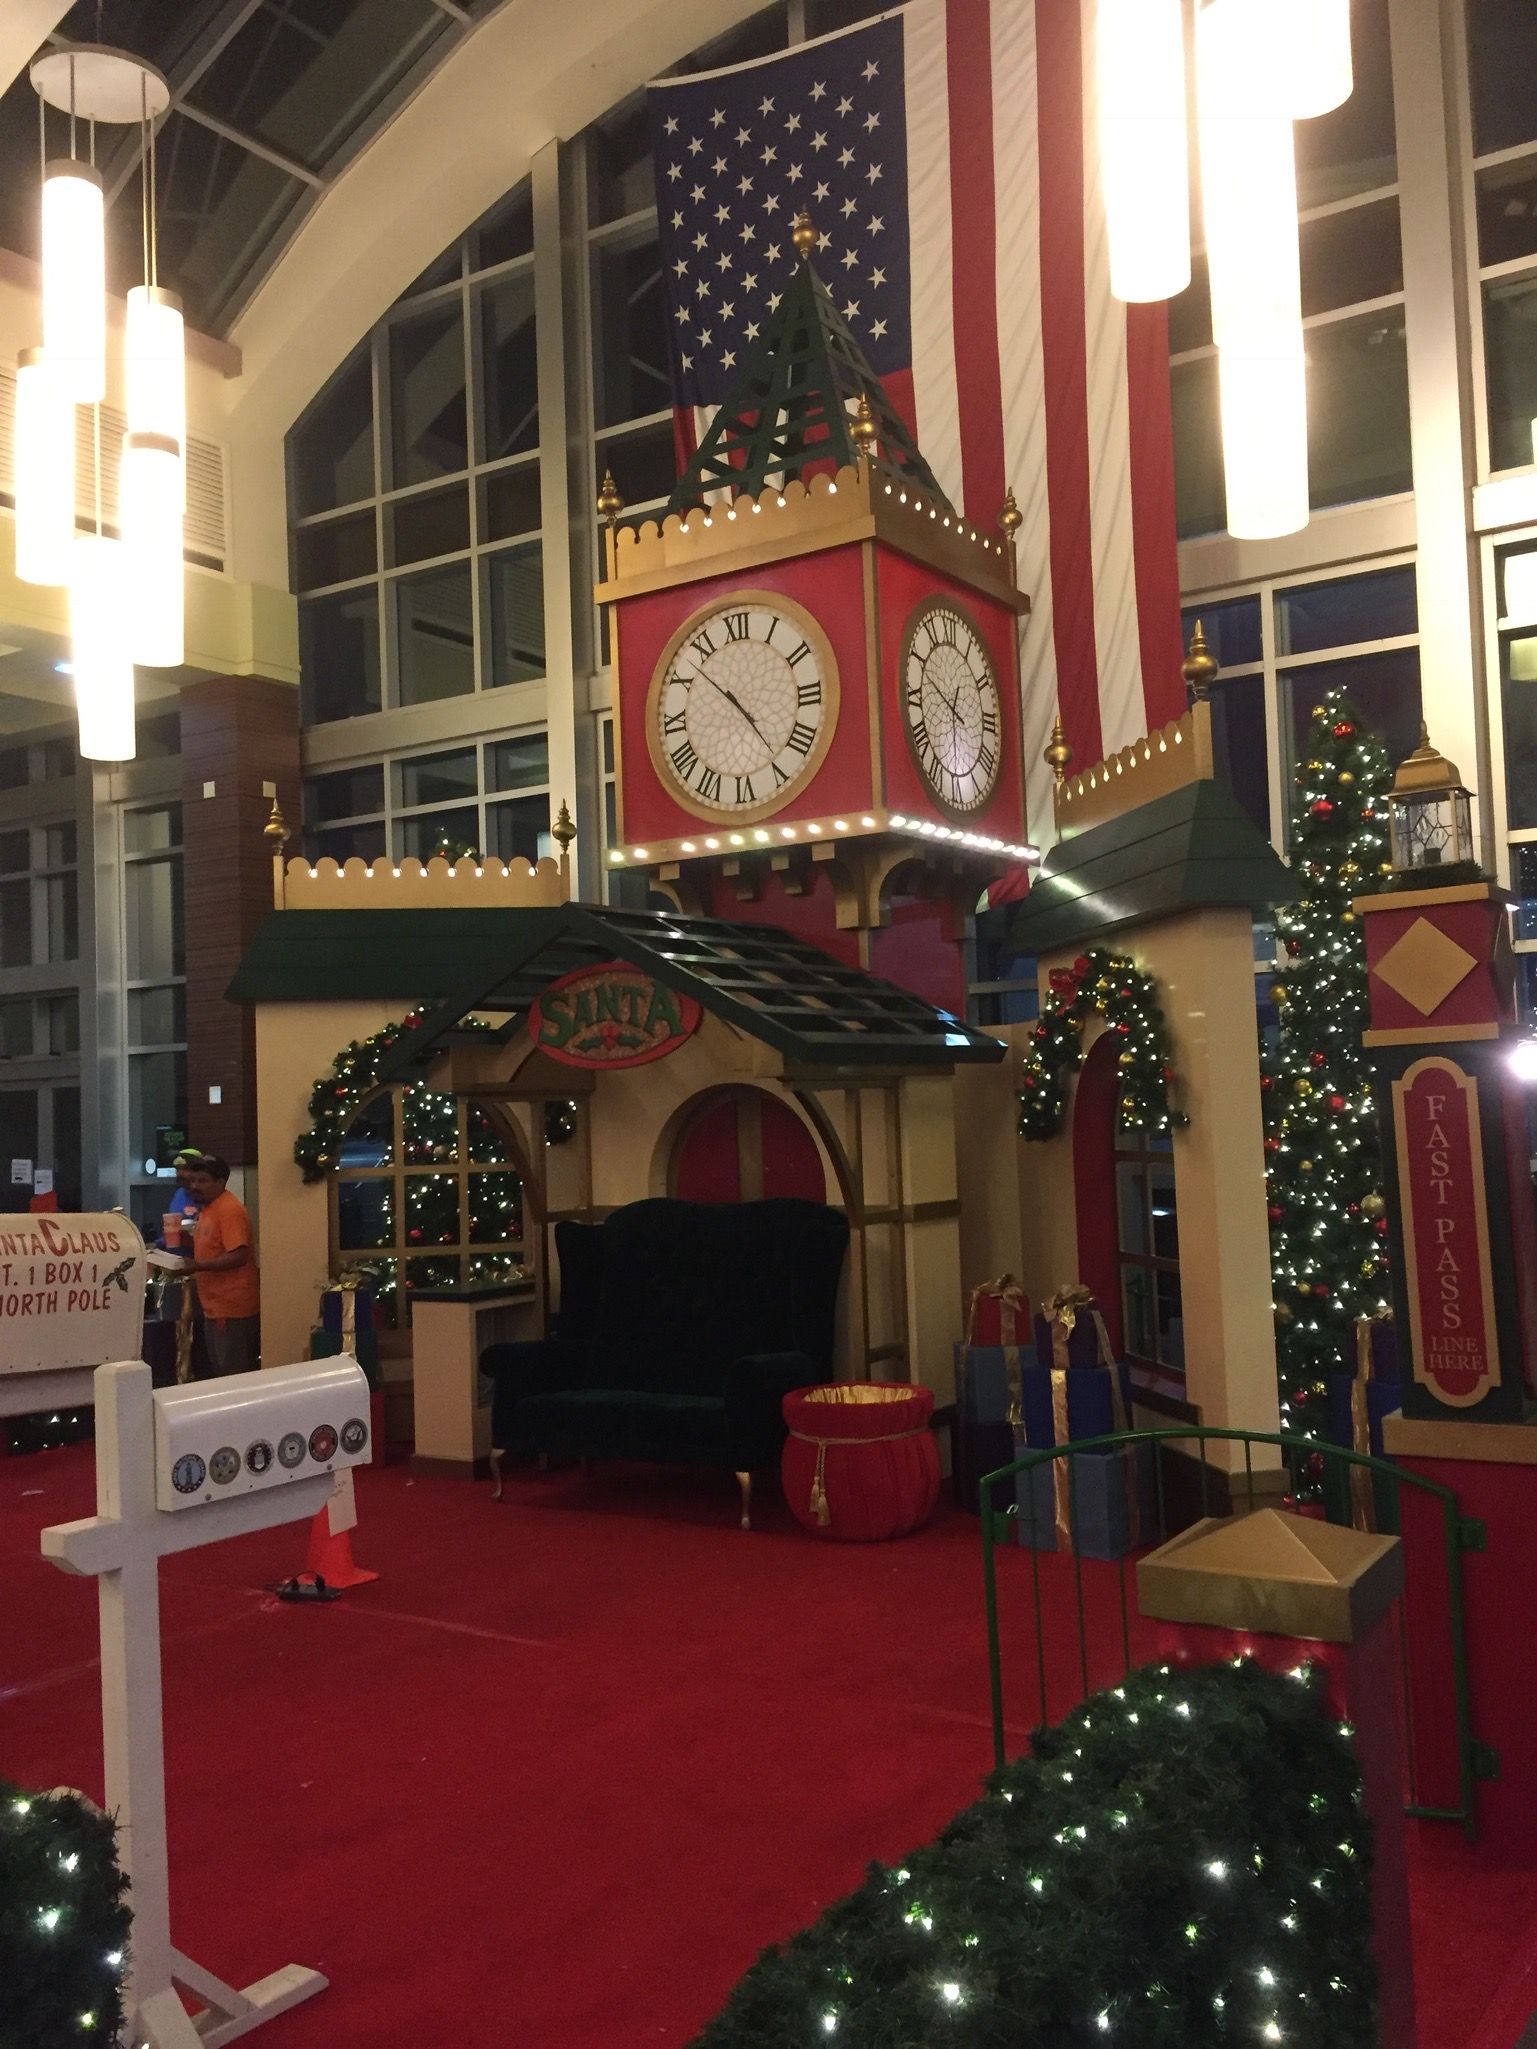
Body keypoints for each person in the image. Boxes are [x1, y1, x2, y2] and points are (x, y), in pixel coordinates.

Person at [181, 1155, 261, 1376]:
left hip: (232, 1309)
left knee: (232, 1378)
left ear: (221, 1182)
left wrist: (198, 1265)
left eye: (202, 1181)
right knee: (221, 1374)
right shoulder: (209, 1208)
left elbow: (239, 1255)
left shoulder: (229, 1210)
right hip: (215, 1308)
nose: (195, 1186)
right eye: (193, 1180)